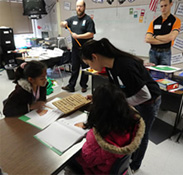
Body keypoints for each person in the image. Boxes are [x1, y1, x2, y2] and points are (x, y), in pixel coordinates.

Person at [80, 38, 162, 173]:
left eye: (88, 63)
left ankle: (135, 164)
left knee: (141, 133)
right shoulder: (111, 66)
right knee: (128, 129)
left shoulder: (125, 66)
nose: (90, 67)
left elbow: (145, 95)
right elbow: (116, 88)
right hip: (133, 97)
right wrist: (99, 98)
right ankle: (127, 157)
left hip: (149, 101)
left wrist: (115, 103)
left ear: (94, 57)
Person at [70, 83, 145, 175]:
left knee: (69, 158)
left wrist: (89, 130)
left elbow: (85, 159)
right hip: (117, 170)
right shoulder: (132, 123)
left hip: (98, 172)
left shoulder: (98, 140)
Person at [60, 0, 96, 93]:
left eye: (80, 6)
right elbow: (62, 23)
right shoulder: (72, 19)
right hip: (75, 49)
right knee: (74, 68)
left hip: (85, 49)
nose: (78, 8)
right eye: (77, 6)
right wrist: (63, 23)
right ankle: (71, 86)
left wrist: (78, 36)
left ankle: (83, 85)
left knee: (85, 68)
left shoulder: (88, 20)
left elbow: (91, 34)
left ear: (84, 7)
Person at [145, 0, 181, 66]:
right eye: (161, 6)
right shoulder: (154, 21)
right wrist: (166, 40)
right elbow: (147, 39)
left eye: (165, 5)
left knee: (164, 74)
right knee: (152, 73)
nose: (163, 8)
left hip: (165, 52)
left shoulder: (175, 20)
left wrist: (155, 36)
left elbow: (171, 37)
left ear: (171, 4)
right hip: (153, 52)